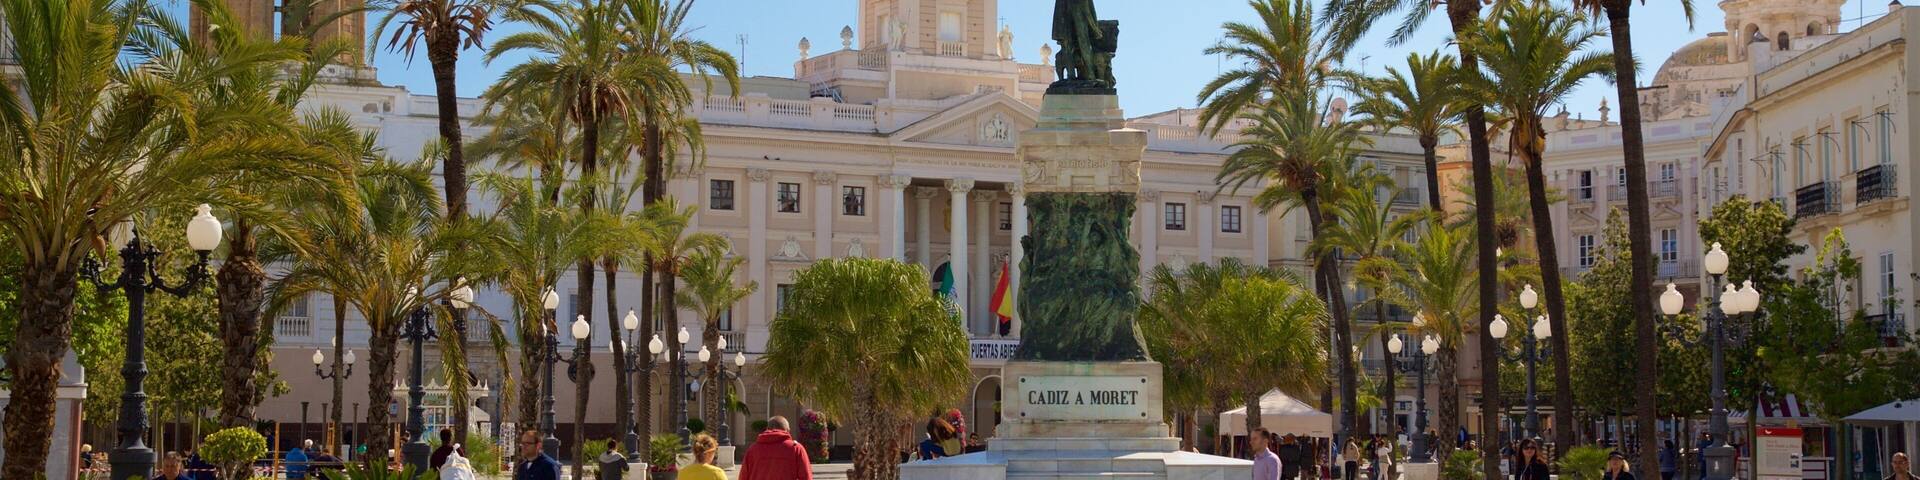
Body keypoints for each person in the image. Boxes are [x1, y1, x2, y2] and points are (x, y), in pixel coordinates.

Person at [741, 415, 815, 480]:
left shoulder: (752, 450)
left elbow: (743, 477)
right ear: (788, 430)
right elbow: (806, 477)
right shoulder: (796, 449)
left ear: (767, 429)